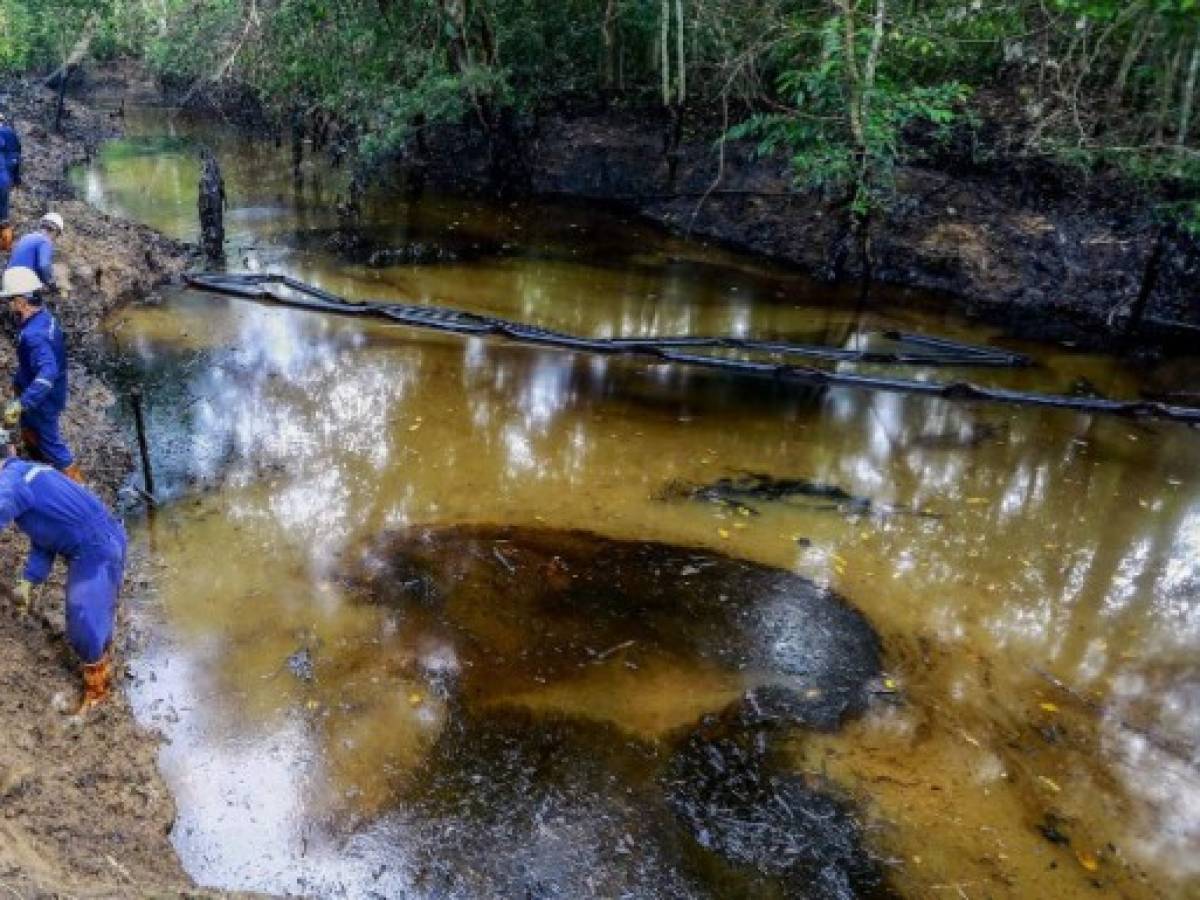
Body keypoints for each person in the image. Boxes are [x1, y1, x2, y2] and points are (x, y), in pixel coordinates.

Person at [0, 428, 126, 713]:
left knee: (83, 621)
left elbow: (4, 501)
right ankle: (104, 657)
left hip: (94, 549)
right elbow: (45, 538)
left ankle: (98, 693)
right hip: (104, 539)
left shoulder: (10, 479)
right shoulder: (30, 471)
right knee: (97, 611)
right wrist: (29, 580)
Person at [0, 266, 81, 481]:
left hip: (43, 400)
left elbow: (48, 373)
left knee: (52, 444)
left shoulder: (33, 336)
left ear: (21, 302)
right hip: (43, 391)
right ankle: (36, 454)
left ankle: (79, 490)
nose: (9, 306)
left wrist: (23, 402)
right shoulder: (45, 318)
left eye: (10, 301)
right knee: (31, 429)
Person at [8, 213, 64, 291]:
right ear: (56, 232)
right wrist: (51, 283)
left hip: (8, 279)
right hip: (21, 282)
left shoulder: (26, 236)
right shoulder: (45, 241)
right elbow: (44, 265)